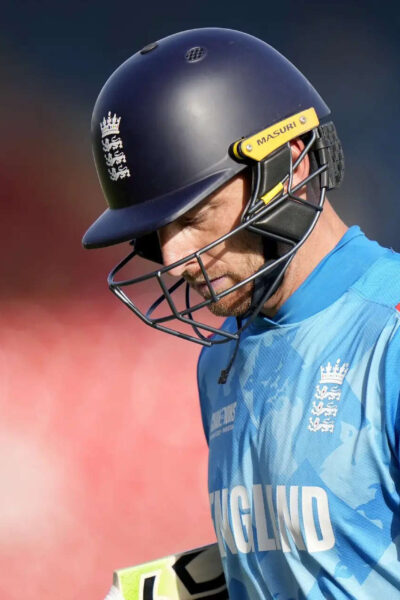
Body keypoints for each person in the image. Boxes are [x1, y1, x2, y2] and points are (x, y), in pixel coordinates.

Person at [83, 27, 400, 599]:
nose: (174, 259)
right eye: (155, 233)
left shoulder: (390, 335)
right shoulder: (220, 358)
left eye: (193, 216)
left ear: (290, 167)